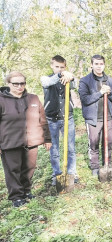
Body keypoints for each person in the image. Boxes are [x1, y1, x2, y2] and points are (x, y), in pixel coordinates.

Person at [0, 72, 51, 207]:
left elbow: (43, 120)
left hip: (31, 141)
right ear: (8, 84)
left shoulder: (33, 99)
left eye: (22, 83)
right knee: (13, 170)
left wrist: (47, 139)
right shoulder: (1, 100)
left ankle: (26, 191)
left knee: (29, 168)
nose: (19, 86)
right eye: (15, 84)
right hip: (9, 142)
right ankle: (16, 197)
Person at [78, 55, 112, 176]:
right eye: (96, 64)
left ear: (104, 65)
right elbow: (85, 99)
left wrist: (110, 92)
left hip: (108, 117)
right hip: (93, 118)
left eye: (101, 64)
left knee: (109, 142)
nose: (99, 66)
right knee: (94, 142)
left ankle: (107, 163)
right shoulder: (85, 80)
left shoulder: (109, 80)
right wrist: (100, 93)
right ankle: (95, 167)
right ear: (91, 65)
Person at [40, 55, 78, 186]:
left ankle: (72, 173)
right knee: (54, 149)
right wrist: (61, 74)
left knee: (71, 148)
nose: (59, 69)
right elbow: (47, 83)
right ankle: (56, 174)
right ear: (52, 66)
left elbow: (75, 84)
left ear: (65, 67)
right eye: (57, 67)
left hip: (68, 118)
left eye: (62, 67)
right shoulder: (46, 78)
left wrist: (71, 77)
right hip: (51, 120)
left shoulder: (68, 79)